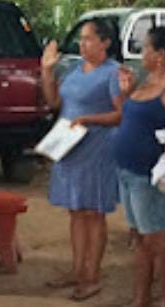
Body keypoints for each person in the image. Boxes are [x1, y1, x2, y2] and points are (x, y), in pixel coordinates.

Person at [40, 20, 122, 301]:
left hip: (96, 148)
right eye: (81, 39)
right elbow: (54, 102)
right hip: (69, 146)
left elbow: (121, 114)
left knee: (93, 213)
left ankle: (92, 275)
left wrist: (90, 119)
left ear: (105, 42)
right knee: (75, 210)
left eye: (88, 39)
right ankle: (77, 270)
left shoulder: (112, 73)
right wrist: (47, 71)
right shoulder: (75, 69)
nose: (82, 44)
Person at [112, 26, 165, 307]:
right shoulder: (146, 80)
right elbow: (128, 117)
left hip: (150, 175)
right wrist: (126, 93)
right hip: (128, 170)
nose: (141, 53)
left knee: (158, 241)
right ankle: (141, 297)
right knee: (142, 239)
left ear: (161, 55)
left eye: (146, 47)